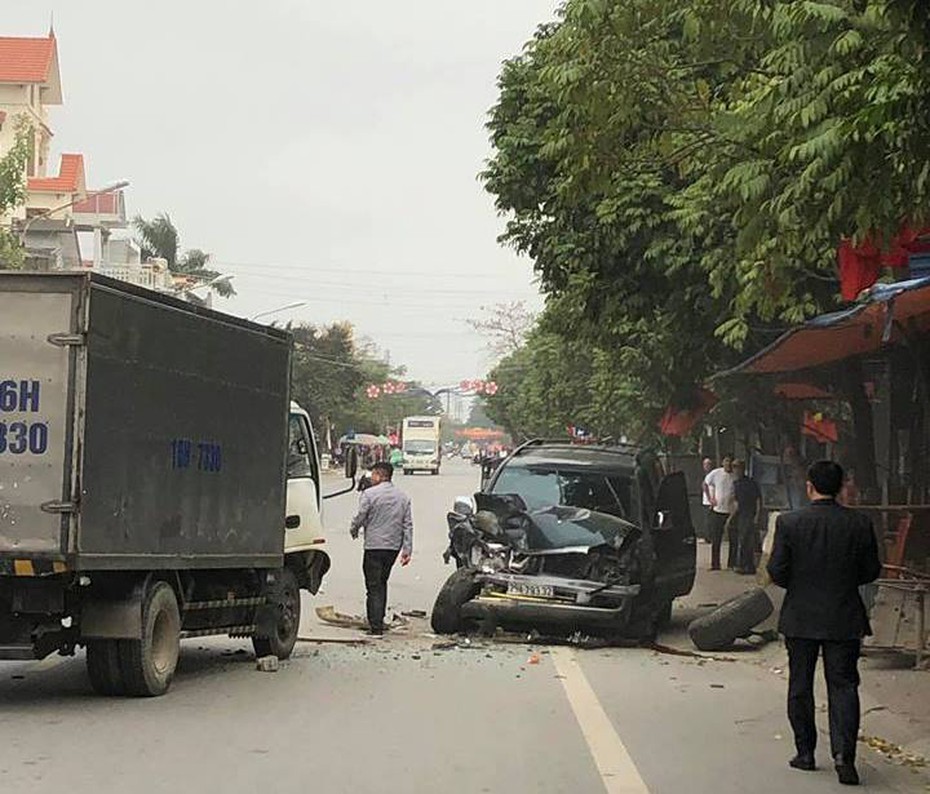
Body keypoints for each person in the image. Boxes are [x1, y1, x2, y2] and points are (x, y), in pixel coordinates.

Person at [767, 460, 882, 786]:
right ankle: (844, 757)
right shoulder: (859, 523)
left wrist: (801, 583)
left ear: (809, 486)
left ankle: (805, 753)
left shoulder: (790, 523)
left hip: (800, 616)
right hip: (844, 615)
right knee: (844, 686)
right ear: (842, 486)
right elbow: (871, 570)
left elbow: (777, 571)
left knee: (800, 685)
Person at [349, 462, 413, 636]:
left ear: (379, 475)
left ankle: (375, 626)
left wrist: (354, 529)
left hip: (374, 546)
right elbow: (407, 525)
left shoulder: (369, 494)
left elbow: (361, 516)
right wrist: (407, 550)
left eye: (373, 474)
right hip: (392, 548)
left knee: (373, 586)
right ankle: (379, 618)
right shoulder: (403, 497)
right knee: (382, 582)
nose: (371, 478)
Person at [704, 455, 735, 570]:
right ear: (723, 462)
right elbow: (705, 484)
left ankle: (731, 563)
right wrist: (710, 498)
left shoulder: (735, 476)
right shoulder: (716, 473)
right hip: (717, 510)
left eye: (730, 461)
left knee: (733, 538)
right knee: (716, 538)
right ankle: (715, 564)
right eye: (726, 461)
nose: (728, 464)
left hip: (730, 511)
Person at [732, 460, 762, 574]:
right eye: (734, 467)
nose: (736, 470)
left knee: (748, 540)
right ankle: (743, 564)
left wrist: (757, 515)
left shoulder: (750, 483)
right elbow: (736, 502)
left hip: (750, 513)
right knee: (742, 540)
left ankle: (748, 565)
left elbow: (758, 499)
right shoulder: (736, 484)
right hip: (741, 514)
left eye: (738, 467)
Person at [700, 457, 714, 542]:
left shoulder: (712, 475)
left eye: (708, 464)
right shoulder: (706, 475)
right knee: (707, 520)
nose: (706, 466)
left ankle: (709, 537)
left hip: (710, 501)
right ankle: (707, 536)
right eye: (704, 464)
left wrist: (710, 499)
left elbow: (705, 486)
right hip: (706, 501)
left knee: (710, 521)